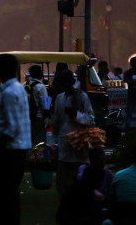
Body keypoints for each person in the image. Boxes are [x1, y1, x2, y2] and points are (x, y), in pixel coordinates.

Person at [0, 53, 30, 225]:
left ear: (4, 69)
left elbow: (11, 128)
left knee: (4, 194)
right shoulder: (18, 88)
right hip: (19, 148)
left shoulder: (8, 93)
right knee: (11, 192)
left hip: (10, 149)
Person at [53, 68, 95, 198]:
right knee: (62, 181)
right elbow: (57, 121)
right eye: (63, 82)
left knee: (78, 178)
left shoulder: (82, 97)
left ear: (72, 81)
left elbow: (91, 119)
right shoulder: (59, 98)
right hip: (64, 144)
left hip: (79, 145)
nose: (66, 84)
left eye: (68, 81)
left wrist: (75, 115)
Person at [25, 64, 49, 146]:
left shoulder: (24, 85)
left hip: (27, 118)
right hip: (38, 118)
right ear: (39, 74)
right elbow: (45, 105)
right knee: (39, 142)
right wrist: (47, 117)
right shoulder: (41, 87)